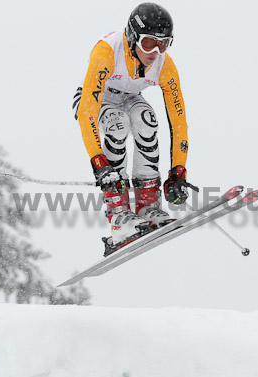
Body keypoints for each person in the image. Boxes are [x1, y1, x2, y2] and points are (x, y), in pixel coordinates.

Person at [73, 2, 191, 250]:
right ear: (132, 37)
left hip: (129, 98)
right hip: (95, 99)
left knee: (147, 120)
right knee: (117, 125)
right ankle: (119, 216)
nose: (155, 52)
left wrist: (178, 170)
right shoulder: (107, 52)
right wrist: (99, 162)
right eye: (149, 43)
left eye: (164, 44)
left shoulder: (164, 66)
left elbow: (178, 121)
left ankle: (148, 206)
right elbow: (87, 111)